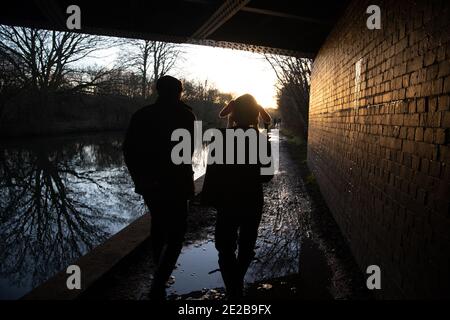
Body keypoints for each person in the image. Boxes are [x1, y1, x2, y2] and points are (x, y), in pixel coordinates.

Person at [123, 75, 196, 300]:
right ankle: (162, 276)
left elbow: (128, 151)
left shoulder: (142, 115)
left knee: (158, 224)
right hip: (177, 182)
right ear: (179, 92)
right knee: (177, 232)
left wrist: (140, 179)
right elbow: (187, 152)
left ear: (157, 91)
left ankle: (158, 268)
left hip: (151, 184)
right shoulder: (186, 115)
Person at [202, 94, 274, 299]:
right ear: (255, 116)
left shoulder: (220, 137)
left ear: (233, 115)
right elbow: (267, 176)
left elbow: (212, 173)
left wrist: (210, 199)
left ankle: (233, 289)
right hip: (252, 199)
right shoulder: (260, 140)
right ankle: (237, 286)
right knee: (246, 246)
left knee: (225, 247)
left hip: (227, 201)